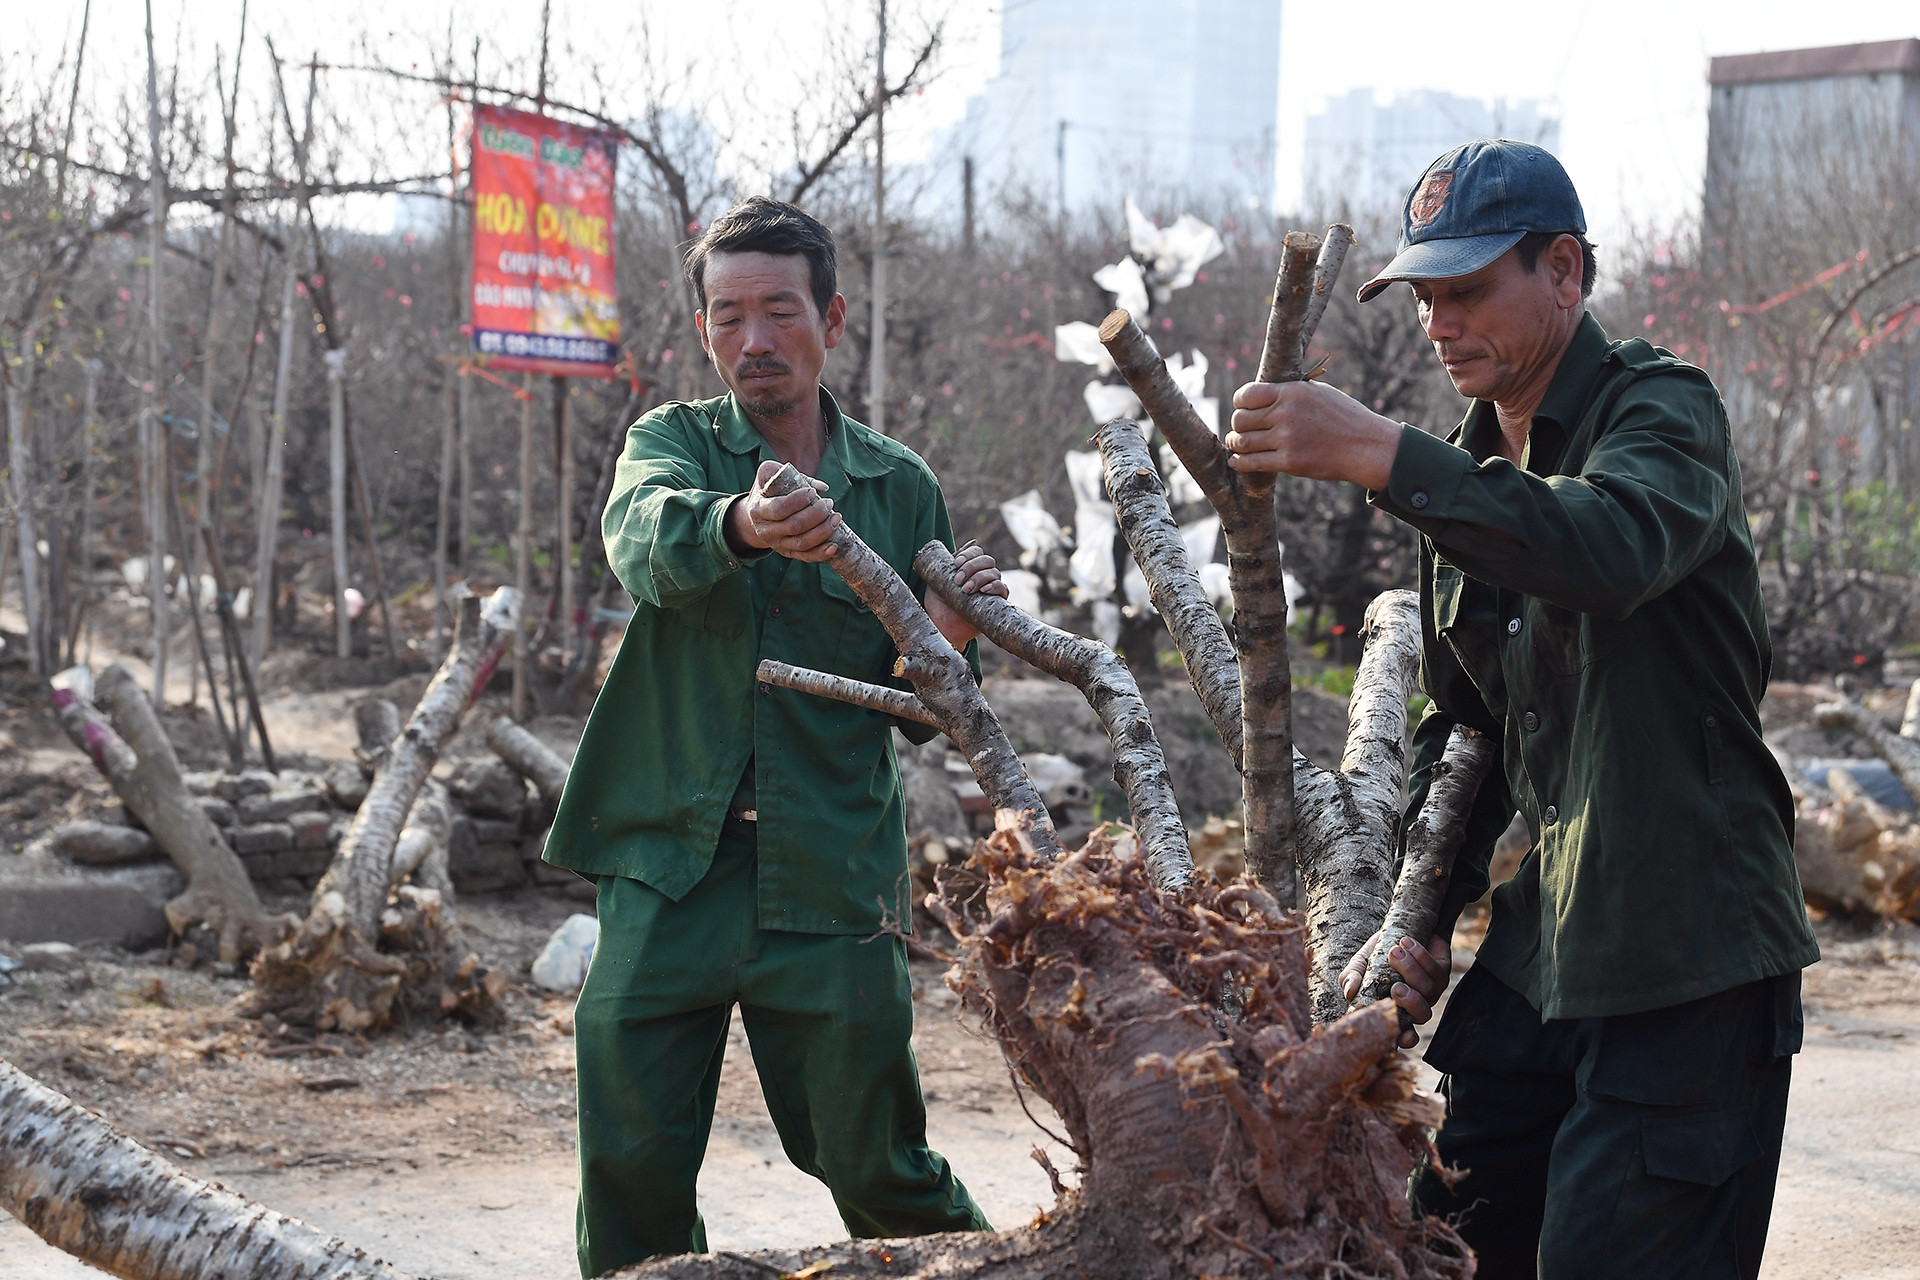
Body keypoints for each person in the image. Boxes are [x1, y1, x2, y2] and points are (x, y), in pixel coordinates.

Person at [1223, 139, 1818, 1279]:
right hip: (1545, 951)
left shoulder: (1661, 409)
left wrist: (1375, 452)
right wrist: (1422, 912)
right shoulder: (1461, 463)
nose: (1441, 323)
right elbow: (1468, 725)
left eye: (1468, 290)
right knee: (1448, 1238)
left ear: (1563, 271)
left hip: (1687, 953)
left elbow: (1606, 546)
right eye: (1426, 298)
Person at [543, 196, 998, 1276]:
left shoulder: (897, 485)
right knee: (632, 1172)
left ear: (830, 319)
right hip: (669, 867)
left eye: (780, 311)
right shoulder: (671, 445)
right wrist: (738, 525)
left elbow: (936, 715)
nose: (755, 339)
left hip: (833, 876)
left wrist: (947, 636)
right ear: (705, 328)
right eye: (729, 314)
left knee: (877, 1163)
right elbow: (643, 545)